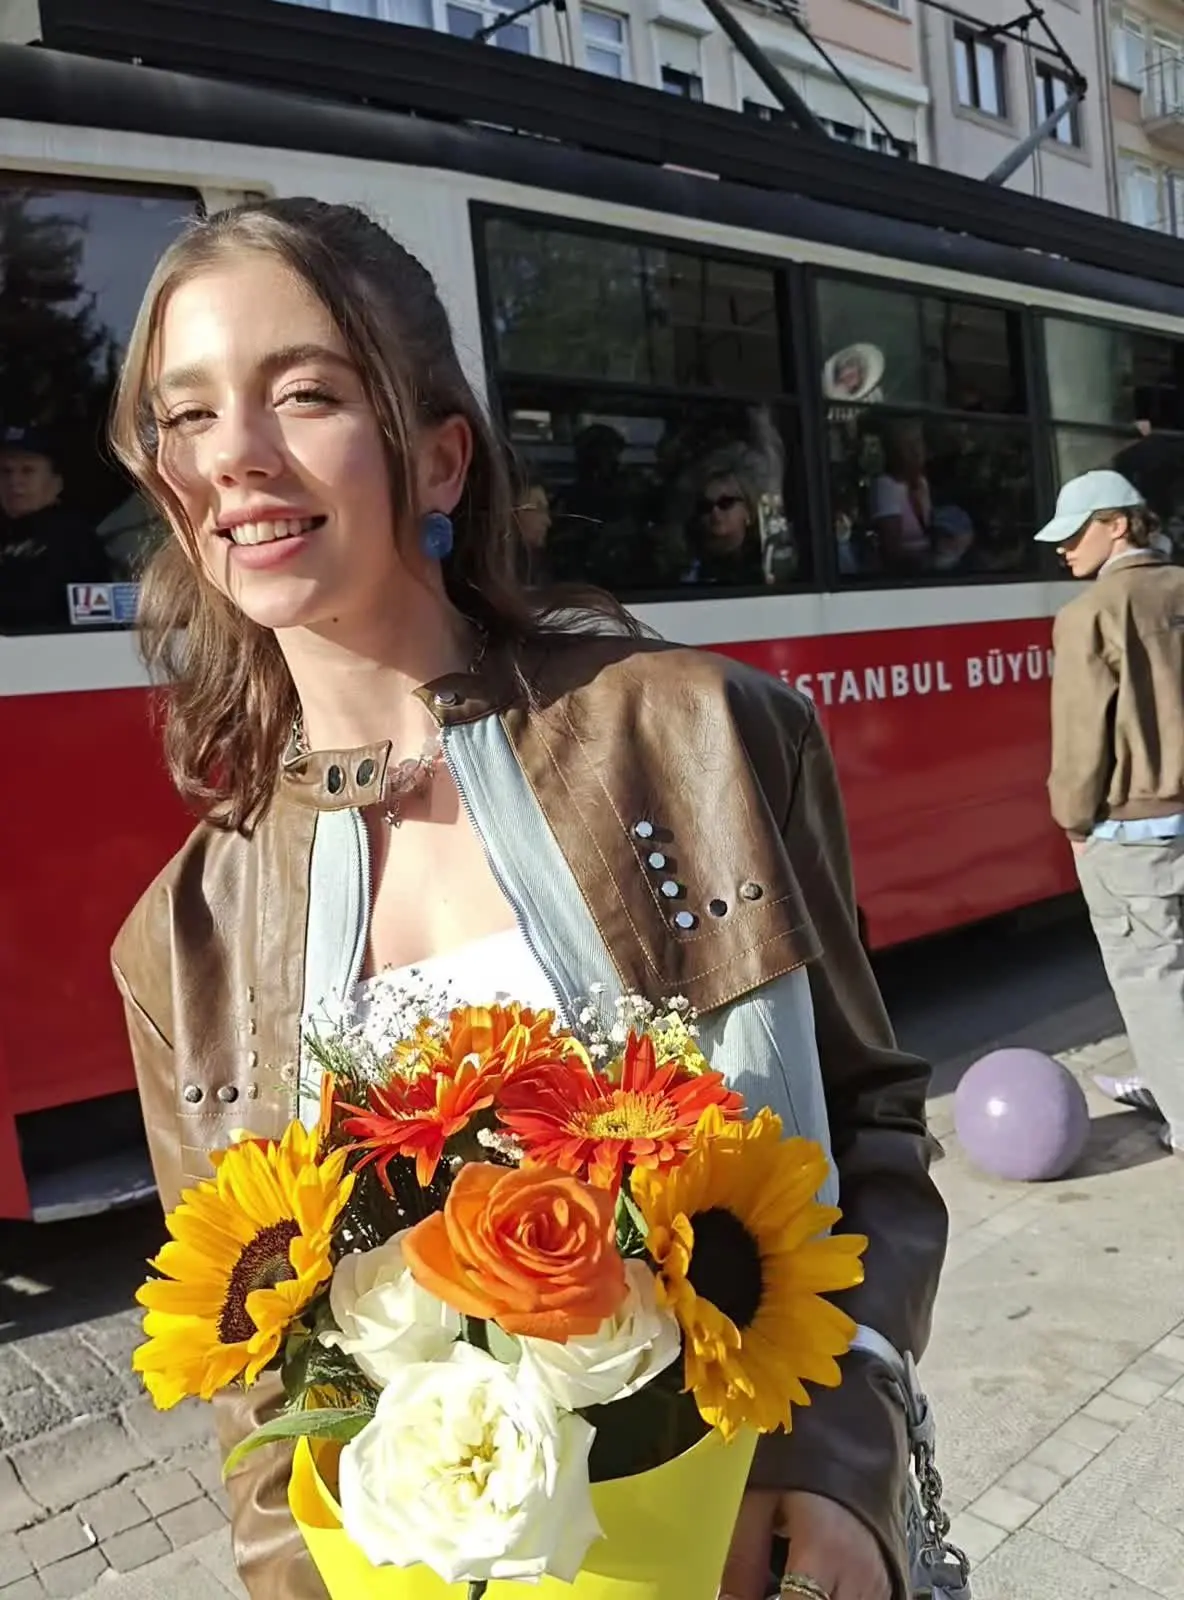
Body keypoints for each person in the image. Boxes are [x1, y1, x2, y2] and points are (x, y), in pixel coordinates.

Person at [108, 198, 947, 1600]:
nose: (234, 454)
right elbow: (253, 1385)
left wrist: (842, 1468)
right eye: (185, 417)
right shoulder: (181, 934)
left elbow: (869, 1125)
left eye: (304, 393)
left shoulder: (695, 734)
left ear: (439, 457)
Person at [1037, 468, 1184, 1156]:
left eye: (1074, 533)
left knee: (1153, 979)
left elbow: (1080, 741)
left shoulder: (1087, 616)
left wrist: (1073, 823)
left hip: (1132, 830)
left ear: (1118, 524)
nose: (1063, 549)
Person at [0, 425, 110, 630]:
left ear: (56, 482)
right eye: (5, 472)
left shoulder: (74, 542)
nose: (14, 481)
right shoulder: (8, 534)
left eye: (27, 471)